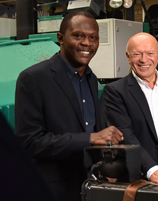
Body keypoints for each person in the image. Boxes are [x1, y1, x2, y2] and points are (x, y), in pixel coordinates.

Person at [15, 10, 123, 201]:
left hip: (89, 186)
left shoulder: (91, 78)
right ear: (60, 38)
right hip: (53, 190)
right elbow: (30, 143)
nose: (87, 43)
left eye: (93, 38)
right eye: (78, 36)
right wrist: (90, 138)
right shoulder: (33, 78)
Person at [101, 32, 158, 186]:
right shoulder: (115, 91)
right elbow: (125, 136)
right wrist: (152, 170)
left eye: (150, 53)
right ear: (128, 57)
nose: (144, 60)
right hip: (140, 177)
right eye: (137, 54)